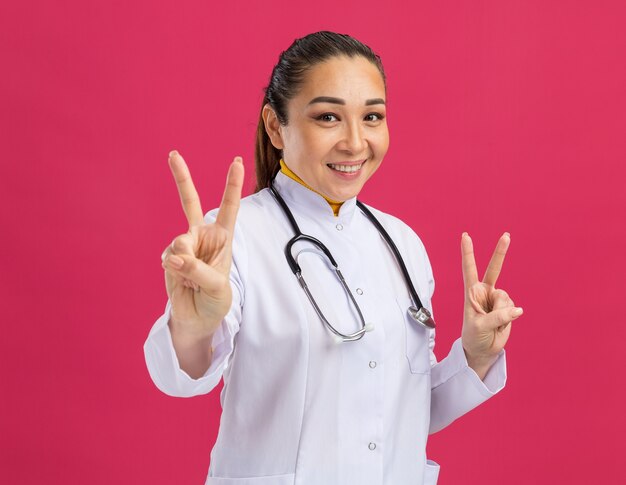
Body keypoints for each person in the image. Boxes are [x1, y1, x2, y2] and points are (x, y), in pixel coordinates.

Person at [144, 31, 523, 485]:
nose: (355, 142)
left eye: (372, 117)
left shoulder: (401, 244)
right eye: (328, 117)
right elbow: (182, 377)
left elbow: (402, 413)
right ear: (274, 126)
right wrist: (193, 326)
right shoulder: (232, 238)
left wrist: (474, 357)